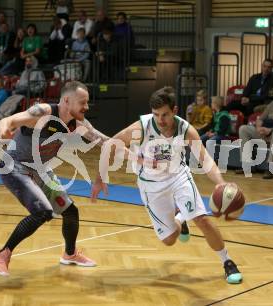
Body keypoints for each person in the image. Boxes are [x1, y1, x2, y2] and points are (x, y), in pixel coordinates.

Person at [92, 86, 243, 284]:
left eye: (165, 115)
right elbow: (112, 144)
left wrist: (221, 183)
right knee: (169, 239)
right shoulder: (142, 127)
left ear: (175, 111)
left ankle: (227, 261)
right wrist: (101, 176)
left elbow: (205, 160)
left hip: (178, 177)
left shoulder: (186, 130)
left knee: (202, 219)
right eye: (156, 115)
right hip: (151, 185)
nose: (160, 120)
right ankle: (181, 219)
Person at [0, 81, 111, 276]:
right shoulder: (42, 113)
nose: (87, 107)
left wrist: (140, 157)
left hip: (41, 170)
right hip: (15, 166)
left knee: (70, 212)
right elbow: (7, 122)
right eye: (83, 102)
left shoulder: (78, 123)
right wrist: (3, 133)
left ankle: (69, 254)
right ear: (66, 100)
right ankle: (3, 254)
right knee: (42, 211)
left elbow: (106, 142)